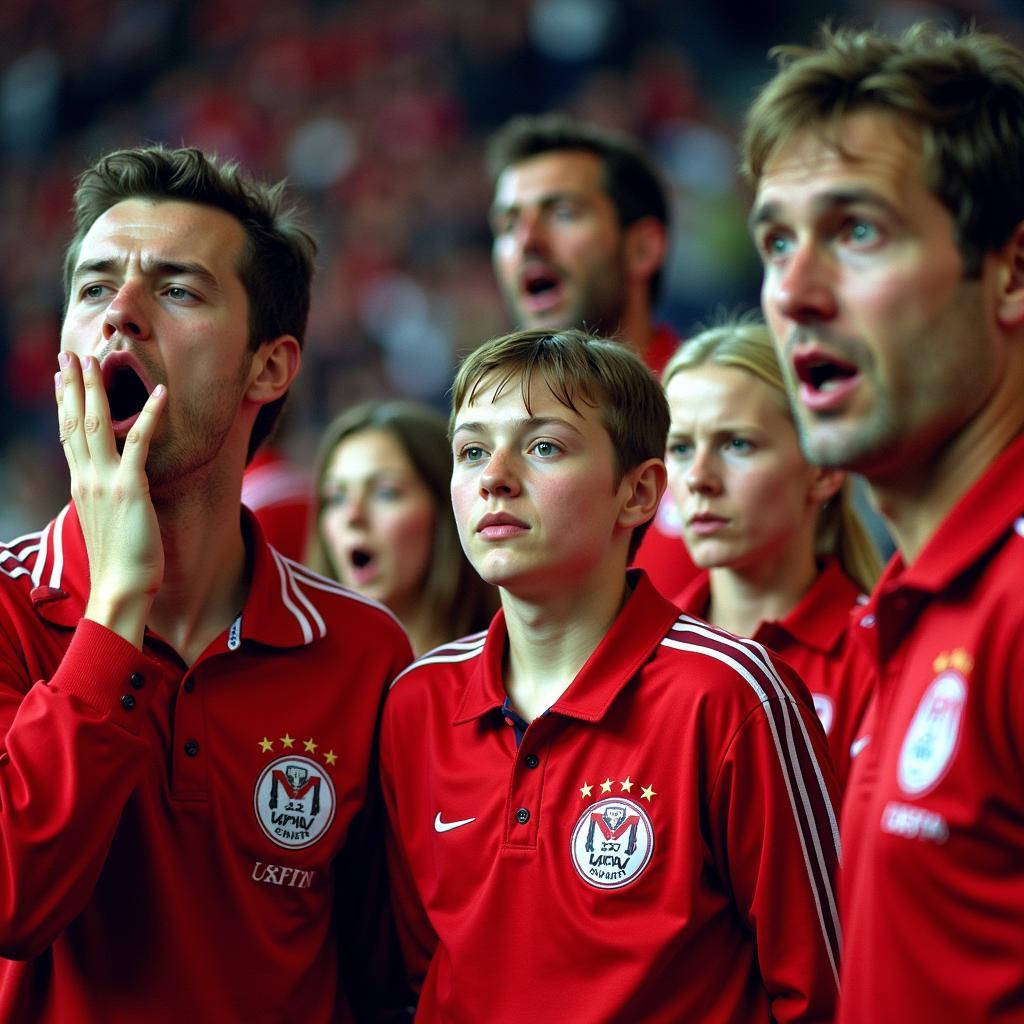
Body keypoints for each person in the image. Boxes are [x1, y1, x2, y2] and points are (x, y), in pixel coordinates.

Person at [0, 145, 412, 1021]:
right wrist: (114, 611)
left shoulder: (364, 654)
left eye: (178, 289)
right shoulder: (2, 611)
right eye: (93, 287)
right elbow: (11, 902)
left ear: (269, 366)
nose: (121, 314)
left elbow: (383, 983)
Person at [380, 327, 841, 1022]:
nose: (494, 476)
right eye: (471, 450)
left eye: (543, 447)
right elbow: (421, 978)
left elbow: (829, 989)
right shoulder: (415, 700)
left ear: (638, 493)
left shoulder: (734, 694)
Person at [744, 22, 1024, 1022]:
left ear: (1009, 272)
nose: (793, 290)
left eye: (856, 229)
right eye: (776, 240)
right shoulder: (898, 609)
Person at [663, 313, 881, 793]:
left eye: (737, 444)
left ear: (824, 468)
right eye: (679, 448)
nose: (698, 477)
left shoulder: (876, 655)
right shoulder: (636, 648)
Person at [485, 112, 696, 597]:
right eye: (508, 223)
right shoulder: (483, 458)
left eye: (561, 213)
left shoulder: (721, 413)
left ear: (643, 248)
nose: (528, 242)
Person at [306, 399, 497, 656]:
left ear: (449, 510)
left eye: (385, 493)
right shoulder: (305, 676)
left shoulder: (508, 672)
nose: (352, 516)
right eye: (336, 497)